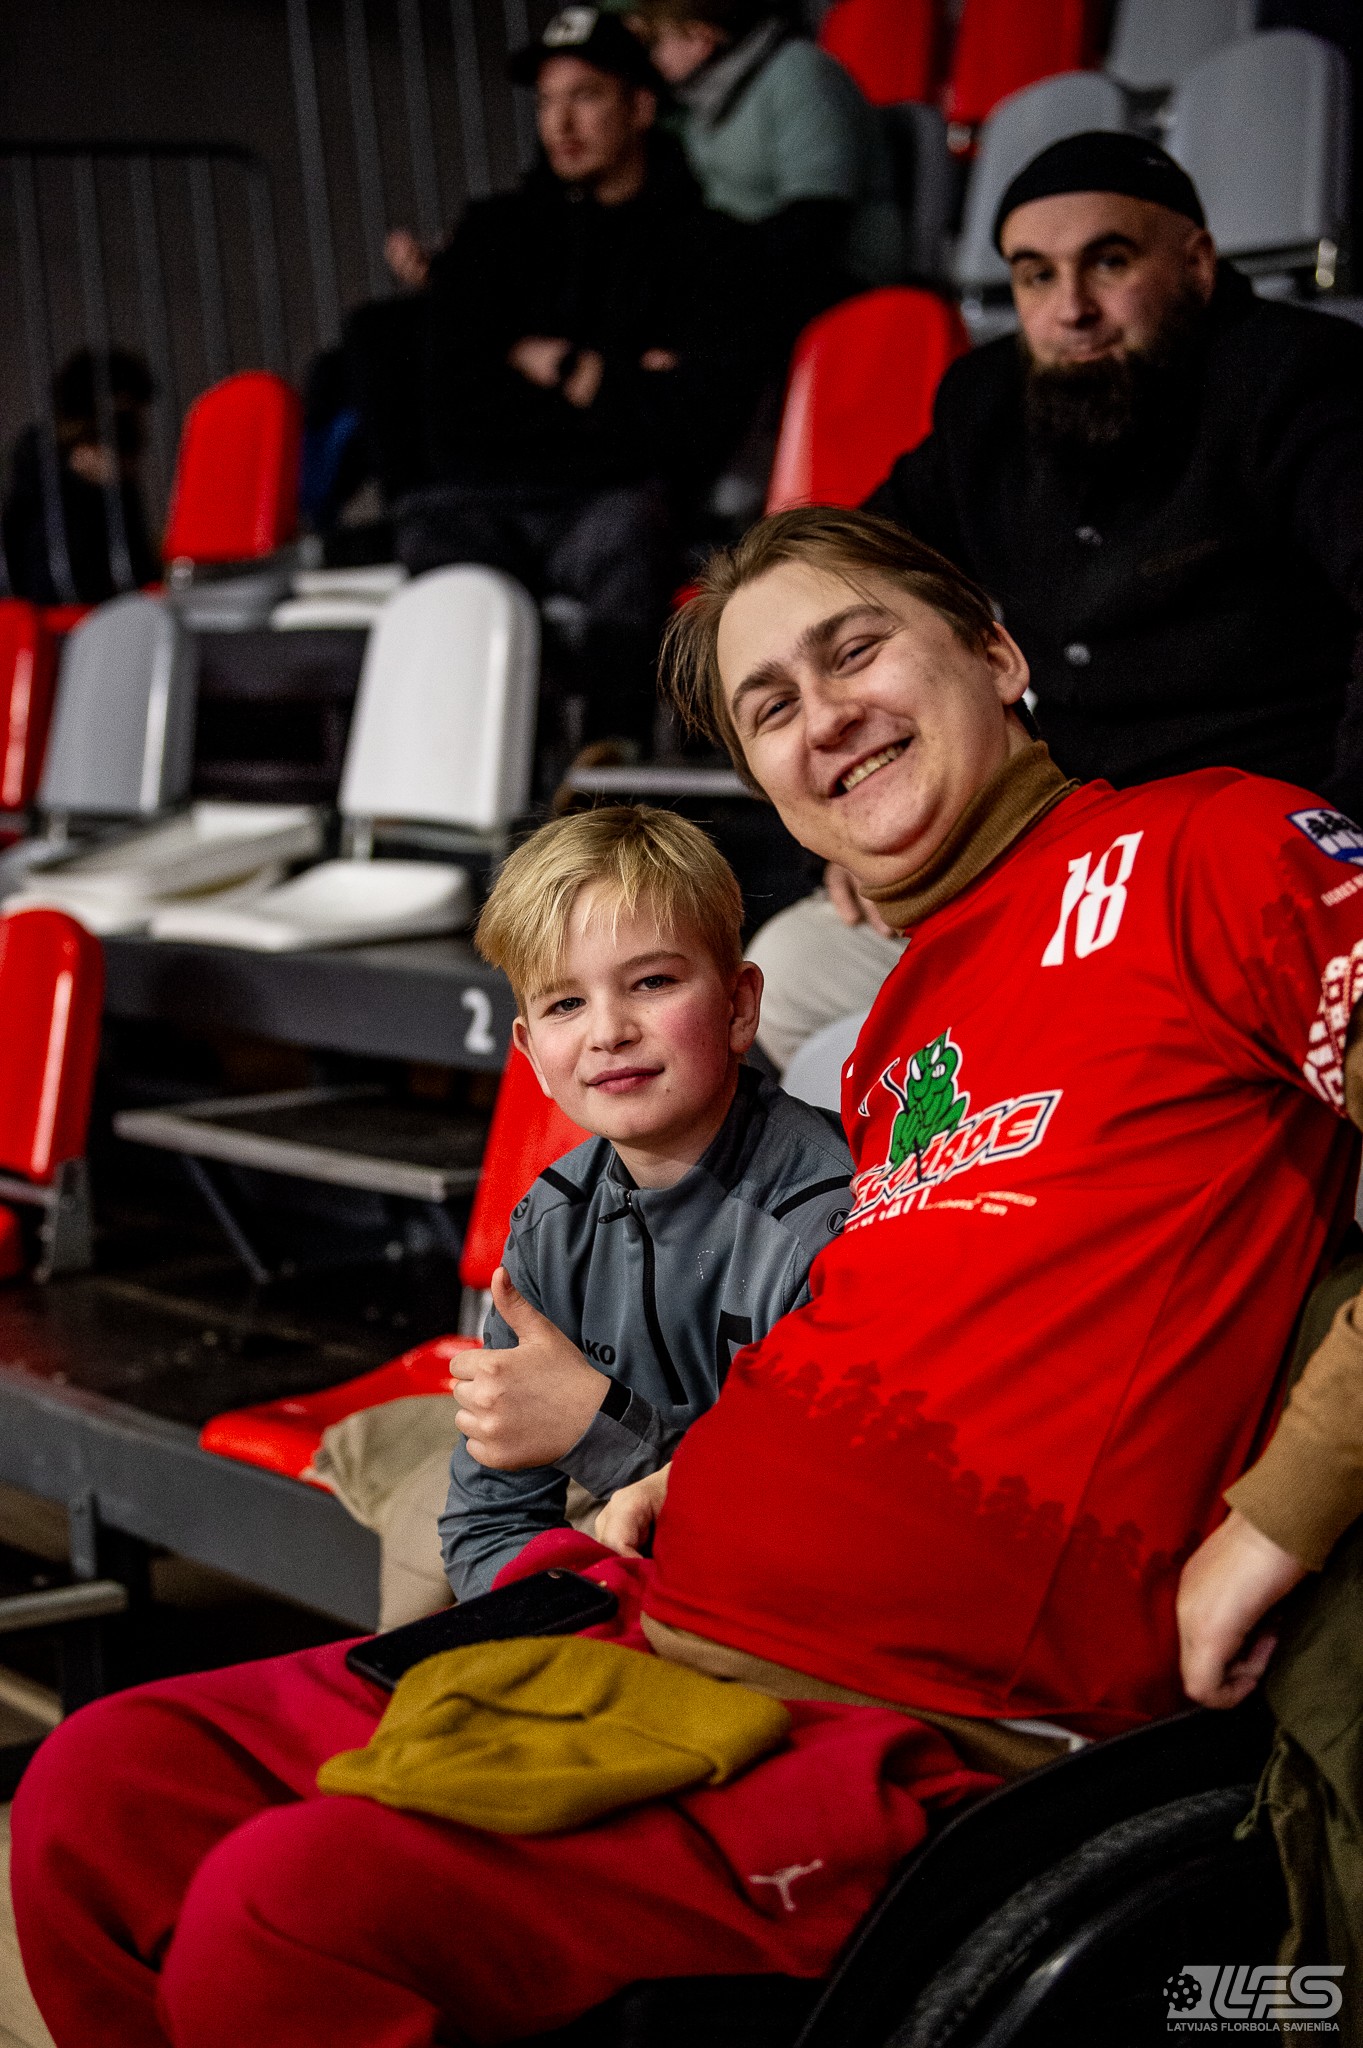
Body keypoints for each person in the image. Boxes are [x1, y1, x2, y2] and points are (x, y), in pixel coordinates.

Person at [18, 507, 1363, 2047]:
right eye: (768, 706)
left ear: (995, 653)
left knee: (286, 1917)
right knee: (101, 1794)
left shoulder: (1211, 846)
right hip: (644, 1612)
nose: (822, 717)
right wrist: (685, 1467)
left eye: (853, 651)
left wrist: (1273, 1519)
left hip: (906, 1720)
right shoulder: (904, 1012)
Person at [755, 131, 1363, 1066]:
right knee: (785, 981)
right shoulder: (986, 403)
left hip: (1253, 857)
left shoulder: (1301, 377)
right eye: (1035, 276)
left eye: (1108, 263)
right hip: (1049, 853)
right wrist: (856, 831)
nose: (1070, 309)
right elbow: (838, 576)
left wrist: (1338, 846)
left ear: (1196, 264)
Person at [442, 803, 852, 1595]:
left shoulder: (835, 1222)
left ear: (738, 1005)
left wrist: (592, 1426)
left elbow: (817, 1539)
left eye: (652, 982)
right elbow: (485, 1528)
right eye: (565, 1004)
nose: (609, 1032)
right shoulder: (549, 1225)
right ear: (531, 1055)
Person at [398, 6, 760, 753]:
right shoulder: (493, 232)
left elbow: (693, 422)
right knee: (432, 530)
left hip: (611, 502)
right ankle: (485, 779)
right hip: (486, 495)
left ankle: (606, 778)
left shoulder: (702, 243)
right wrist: (611, 379)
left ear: (641, 107)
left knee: (629, 534)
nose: (560, 123)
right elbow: (450, 403)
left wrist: (550, 362)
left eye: (586, 96)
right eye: (546, 101)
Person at [627, 0, 902, 346]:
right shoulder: (704, 95)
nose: (654, 58)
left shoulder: (800, 74)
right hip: (759, 265)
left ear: (700, 38)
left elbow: (817, 220)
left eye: (658, 42)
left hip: (840, 274)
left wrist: (716, 263)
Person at [2, 347, 159, 603]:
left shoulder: (118, 495)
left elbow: (139, 570)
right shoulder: (40, 476)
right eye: (121, 421)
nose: (137, 436)